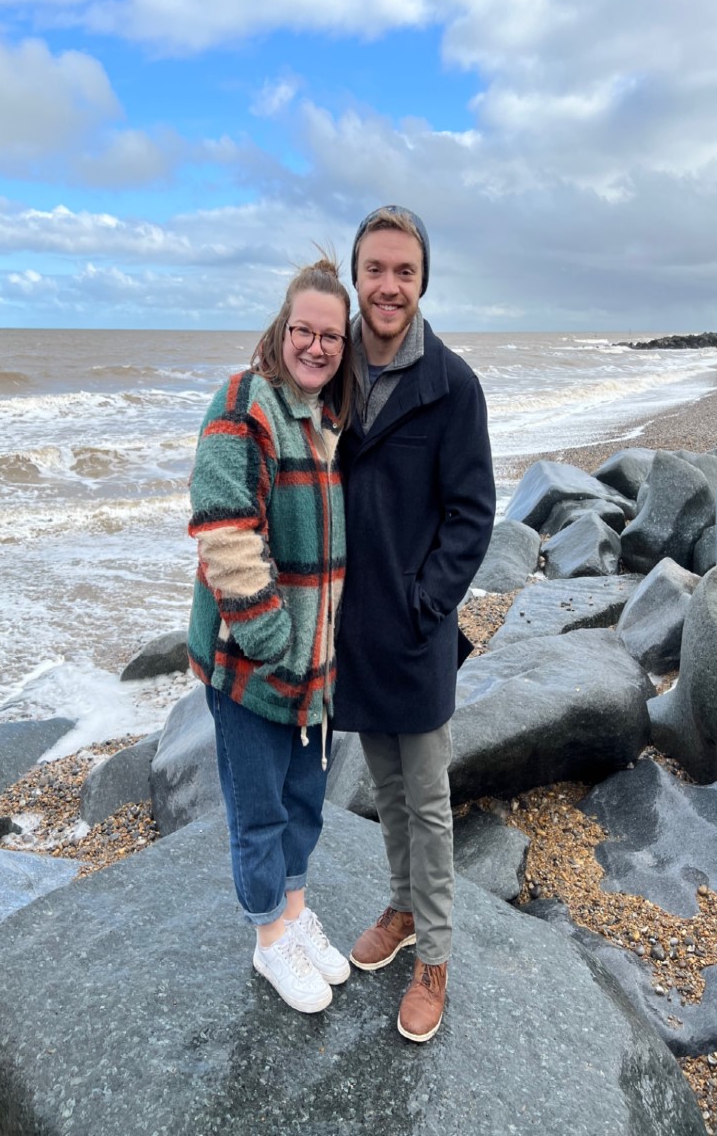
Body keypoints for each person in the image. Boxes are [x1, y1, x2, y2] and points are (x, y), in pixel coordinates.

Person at [333, 205, 496, 1042]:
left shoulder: (452, 384)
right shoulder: (334, 370)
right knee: (386, 790)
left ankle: (434, 954)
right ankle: (400, 909)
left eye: (403, 270)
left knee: (429, 800)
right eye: (375, 269)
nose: (388, 285)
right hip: (351, 630)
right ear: (355, 278)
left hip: (418, 628)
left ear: (422, 278)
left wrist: (426, 602)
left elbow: (473, 514)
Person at [187, 253, 354, 1014]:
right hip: (256, 669)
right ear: (280, 331)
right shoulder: (241, 406)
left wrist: (317, 652)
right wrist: (274, 644)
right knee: (258, 811)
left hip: (314, 671)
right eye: (303, 331)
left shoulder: (326, 423)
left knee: (306, 800)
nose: (316, 346)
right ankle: (267, 942)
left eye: (331, 336)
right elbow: (225, 533)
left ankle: (293, 913)